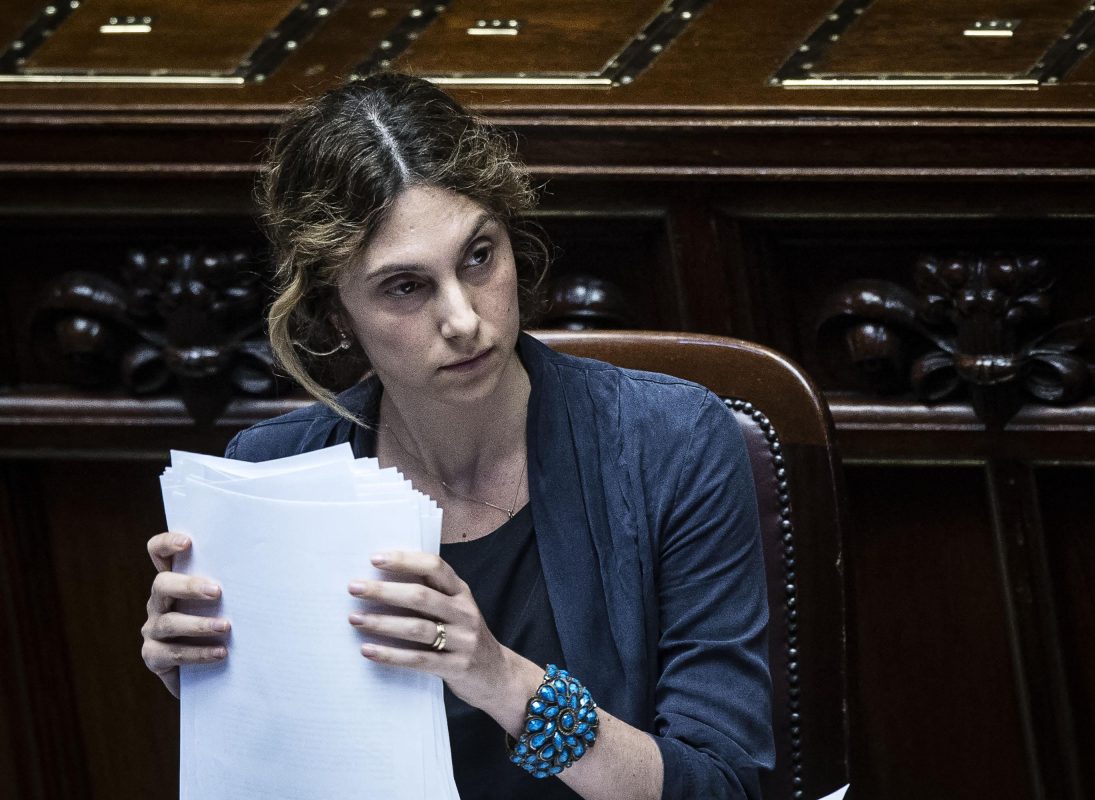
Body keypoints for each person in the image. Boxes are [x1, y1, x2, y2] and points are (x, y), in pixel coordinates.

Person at [140, 73, 773, 800]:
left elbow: (722, 786)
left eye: (478, 256)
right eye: (405, 287)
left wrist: (501, 679)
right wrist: (213, 686)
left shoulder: (671, 444)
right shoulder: (274, 474)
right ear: (335, 312)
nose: (465, 319)